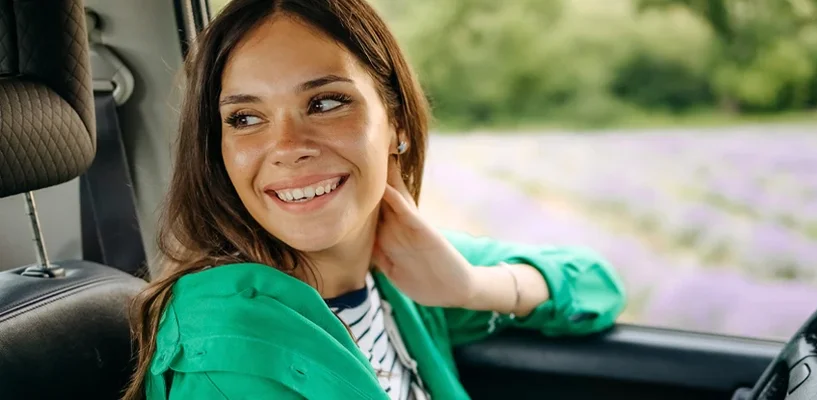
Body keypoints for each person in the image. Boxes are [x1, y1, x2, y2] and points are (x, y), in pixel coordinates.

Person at [121, 0, 627, 399]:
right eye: (245, 118)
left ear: (396, 124)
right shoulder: (231, 346)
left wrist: (471, 286)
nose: (288, 148)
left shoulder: (396, 274)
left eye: (325, 103)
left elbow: (595, 286)